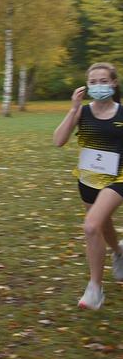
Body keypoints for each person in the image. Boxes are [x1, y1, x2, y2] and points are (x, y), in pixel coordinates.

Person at [53, 62, 123, 310]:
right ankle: (119, 251)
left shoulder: (121, 113)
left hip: (118, 179)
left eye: (103, 81)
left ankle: (95, 288)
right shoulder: (82, 112)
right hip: (88, 180)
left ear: (113, 83)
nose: (98, 86)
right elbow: (58, 141)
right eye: (93, 82)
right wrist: (73, 110)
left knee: (91, 226)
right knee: (102, 224)